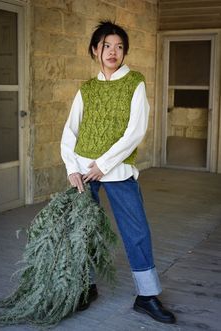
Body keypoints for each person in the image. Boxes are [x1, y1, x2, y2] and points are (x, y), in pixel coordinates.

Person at [60, 20, 175, 324]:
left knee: (136, 231)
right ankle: (86, 286)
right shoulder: (86, 88)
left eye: (119, 46)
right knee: (84, 232)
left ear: (124, 52)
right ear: (95, 50)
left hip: (117, 171)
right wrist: (73, 168)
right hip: (84, 174)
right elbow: (71, 130)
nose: (113, 51)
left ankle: (147, 295)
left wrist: (104, 164)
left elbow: (135, 131)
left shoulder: (134, 81)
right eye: (107, 46)